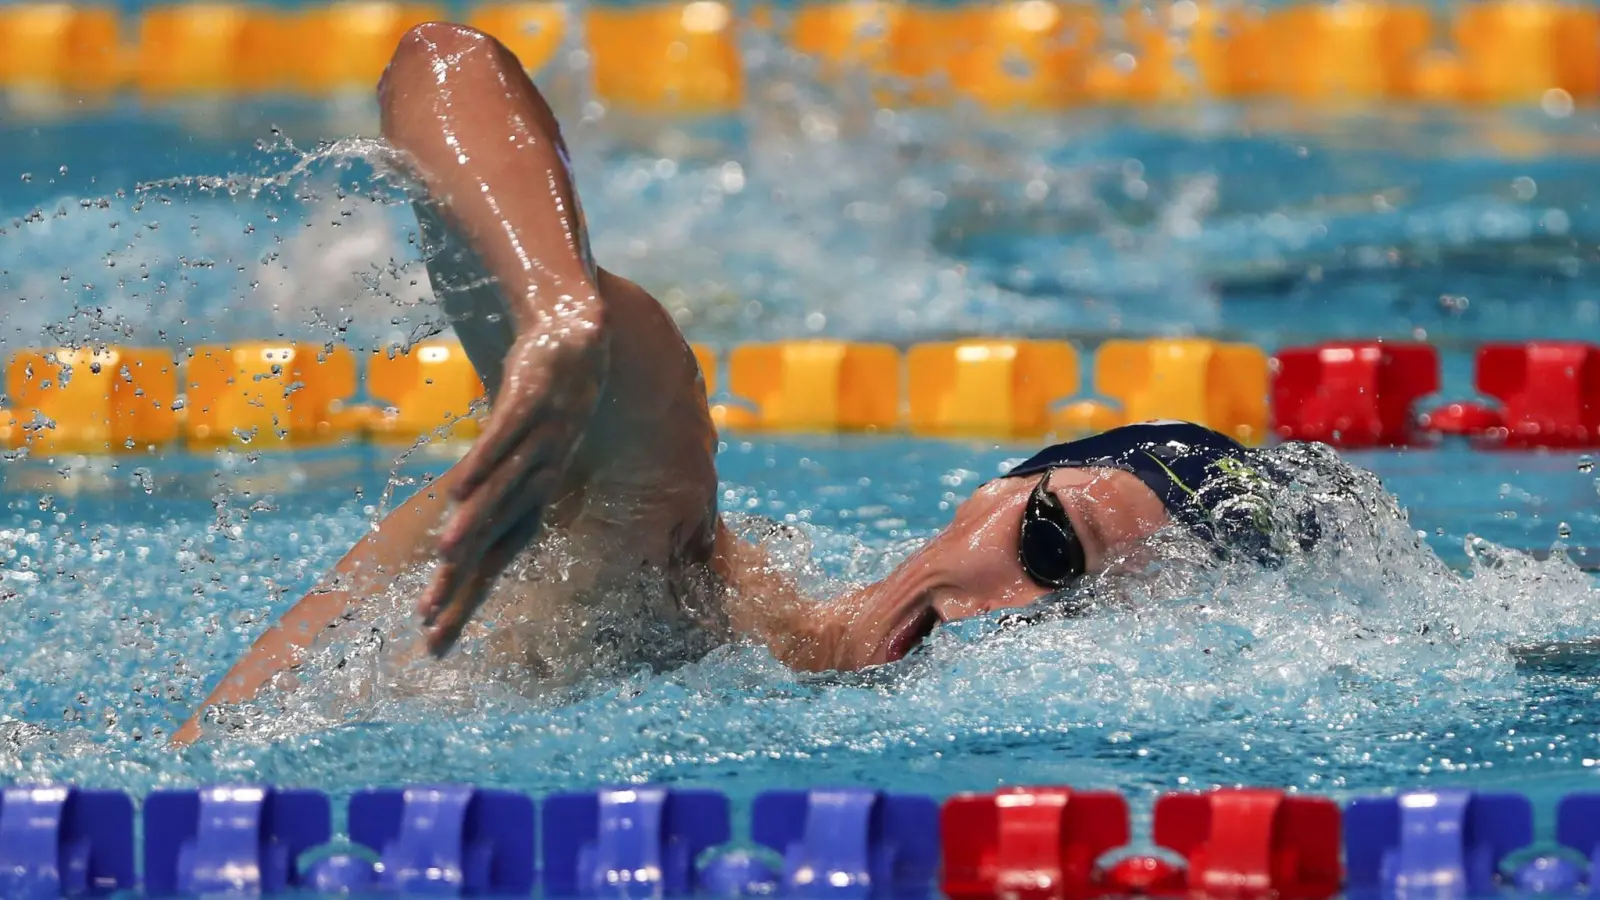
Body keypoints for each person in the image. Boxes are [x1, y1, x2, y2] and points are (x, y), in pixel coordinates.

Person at [172, 22, 1298, 745]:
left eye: (1089, 623)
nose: (1014, 618)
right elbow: (446, 64)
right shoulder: (674, 579)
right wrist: (559, 306)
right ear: (992, 493)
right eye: (1052, 549)